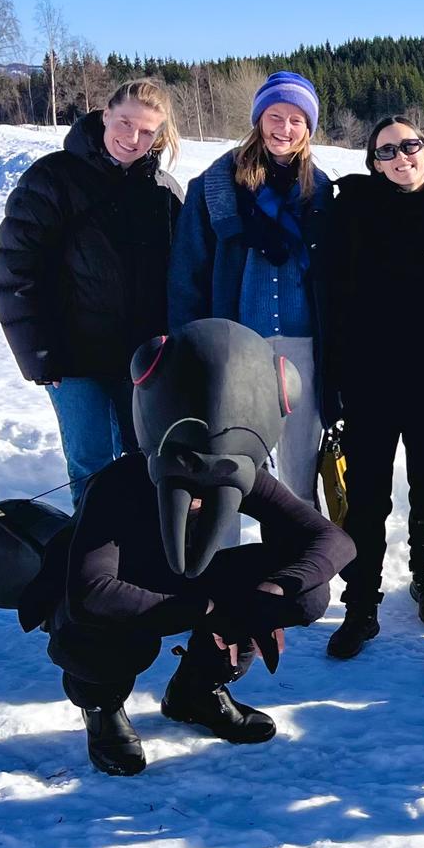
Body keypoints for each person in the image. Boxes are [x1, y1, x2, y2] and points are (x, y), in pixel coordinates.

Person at [44, 320, 355, 776]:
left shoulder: (240, 471)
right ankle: (102, 706)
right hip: (124, 590)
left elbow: (332, 540)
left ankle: (197, 690)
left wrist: (269, 594)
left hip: (191, 584)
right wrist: (204, 610)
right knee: (92, 623)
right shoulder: (118, 485)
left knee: (305, 592)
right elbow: (91, 589)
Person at [323, 115, 424, 659]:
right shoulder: (351, 212)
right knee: (367, 495)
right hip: (369, 382)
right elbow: (335, 304)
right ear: (373, 161)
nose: (400, 157)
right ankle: (361, 603)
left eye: (410, 145)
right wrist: (334, 381)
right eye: (387, 151)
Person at [0, 79, 183, 507]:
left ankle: (142, 561)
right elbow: (15, 270)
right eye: (126, 122)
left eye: (148, 131)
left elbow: (180, 276)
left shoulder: (163, 191)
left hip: (142, 360)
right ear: (105, 114)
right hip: (72, 358)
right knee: (92, 466)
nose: (133, 138)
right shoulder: (53, 178)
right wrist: (37, 353)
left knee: (146, 462)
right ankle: (91, 565)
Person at [167, 71, 336, 504]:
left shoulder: (321, 193)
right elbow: (188, 275)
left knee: (299, 476)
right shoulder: (214, 188)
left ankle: (299, 569)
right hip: (237, 349)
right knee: (228, 469)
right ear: (258, 120)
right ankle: (223, 566)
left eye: (297, 120)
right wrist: (189, 351)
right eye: (275, 116)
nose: (285, 128)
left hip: (303, 347)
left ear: (309, 128)